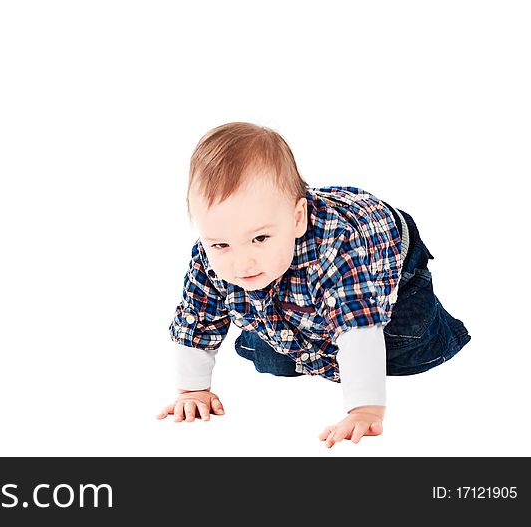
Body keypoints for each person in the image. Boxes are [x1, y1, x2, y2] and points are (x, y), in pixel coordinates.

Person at [156, 122, 471, 447]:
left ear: (297, 218)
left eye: (259, 238)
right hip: (294, 294)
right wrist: (193, 389)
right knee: (270, 360)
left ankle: (435, 330)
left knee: (407, 346)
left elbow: (358, 328)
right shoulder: (208, 254)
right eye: (221, 245)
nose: (242, 262)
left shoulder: (335, 248)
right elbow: (196, 318)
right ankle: (313, 336)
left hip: (388, 260)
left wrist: (364, 409)